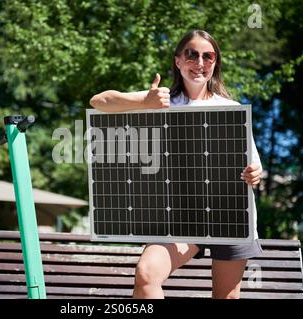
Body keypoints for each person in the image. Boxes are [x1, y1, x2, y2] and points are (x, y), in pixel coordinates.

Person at [89, 30, 263, 299]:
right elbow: (98, 101)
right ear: (178, 61)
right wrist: (143, 101)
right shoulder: (160, 100)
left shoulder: (231, 107)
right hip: (180, 218)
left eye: (208, 56)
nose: (200, 62)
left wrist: (255, 174)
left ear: (215, 63)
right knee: (147, 274)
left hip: (229, 215)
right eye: (192, 55)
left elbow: (253, 166)